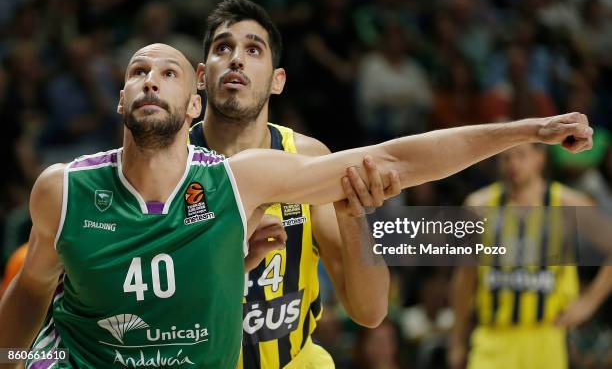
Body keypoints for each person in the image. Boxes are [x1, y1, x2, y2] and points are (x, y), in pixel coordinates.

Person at [0, 40, 593, 368]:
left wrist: (527, 128)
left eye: (169, 72)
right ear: (120, 98)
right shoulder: (64, 188)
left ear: (194, 105)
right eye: (138, 70)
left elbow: (395, 161)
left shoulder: (250, 175)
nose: (151, 78)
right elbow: (30, 292)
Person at [189, 0, 398, 369]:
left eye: (254, 49)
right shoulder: (170, 164)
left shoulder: (309, 159)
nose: (237, 58)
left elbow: (370, 311)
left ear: (277, 81)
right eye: (224, 47)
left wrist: (353, 217)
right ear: (202, 76)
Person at [449, 143, 612, 369]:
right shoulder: (479, 206)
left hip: (546, 336)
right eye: (506, 157)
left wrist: (589, 303)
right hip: (493, 336)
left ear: (539, 158)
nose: (513, 164)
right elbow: (465, 278)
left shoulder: (567, 203)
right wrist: (457, 339)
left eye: (521, 155)